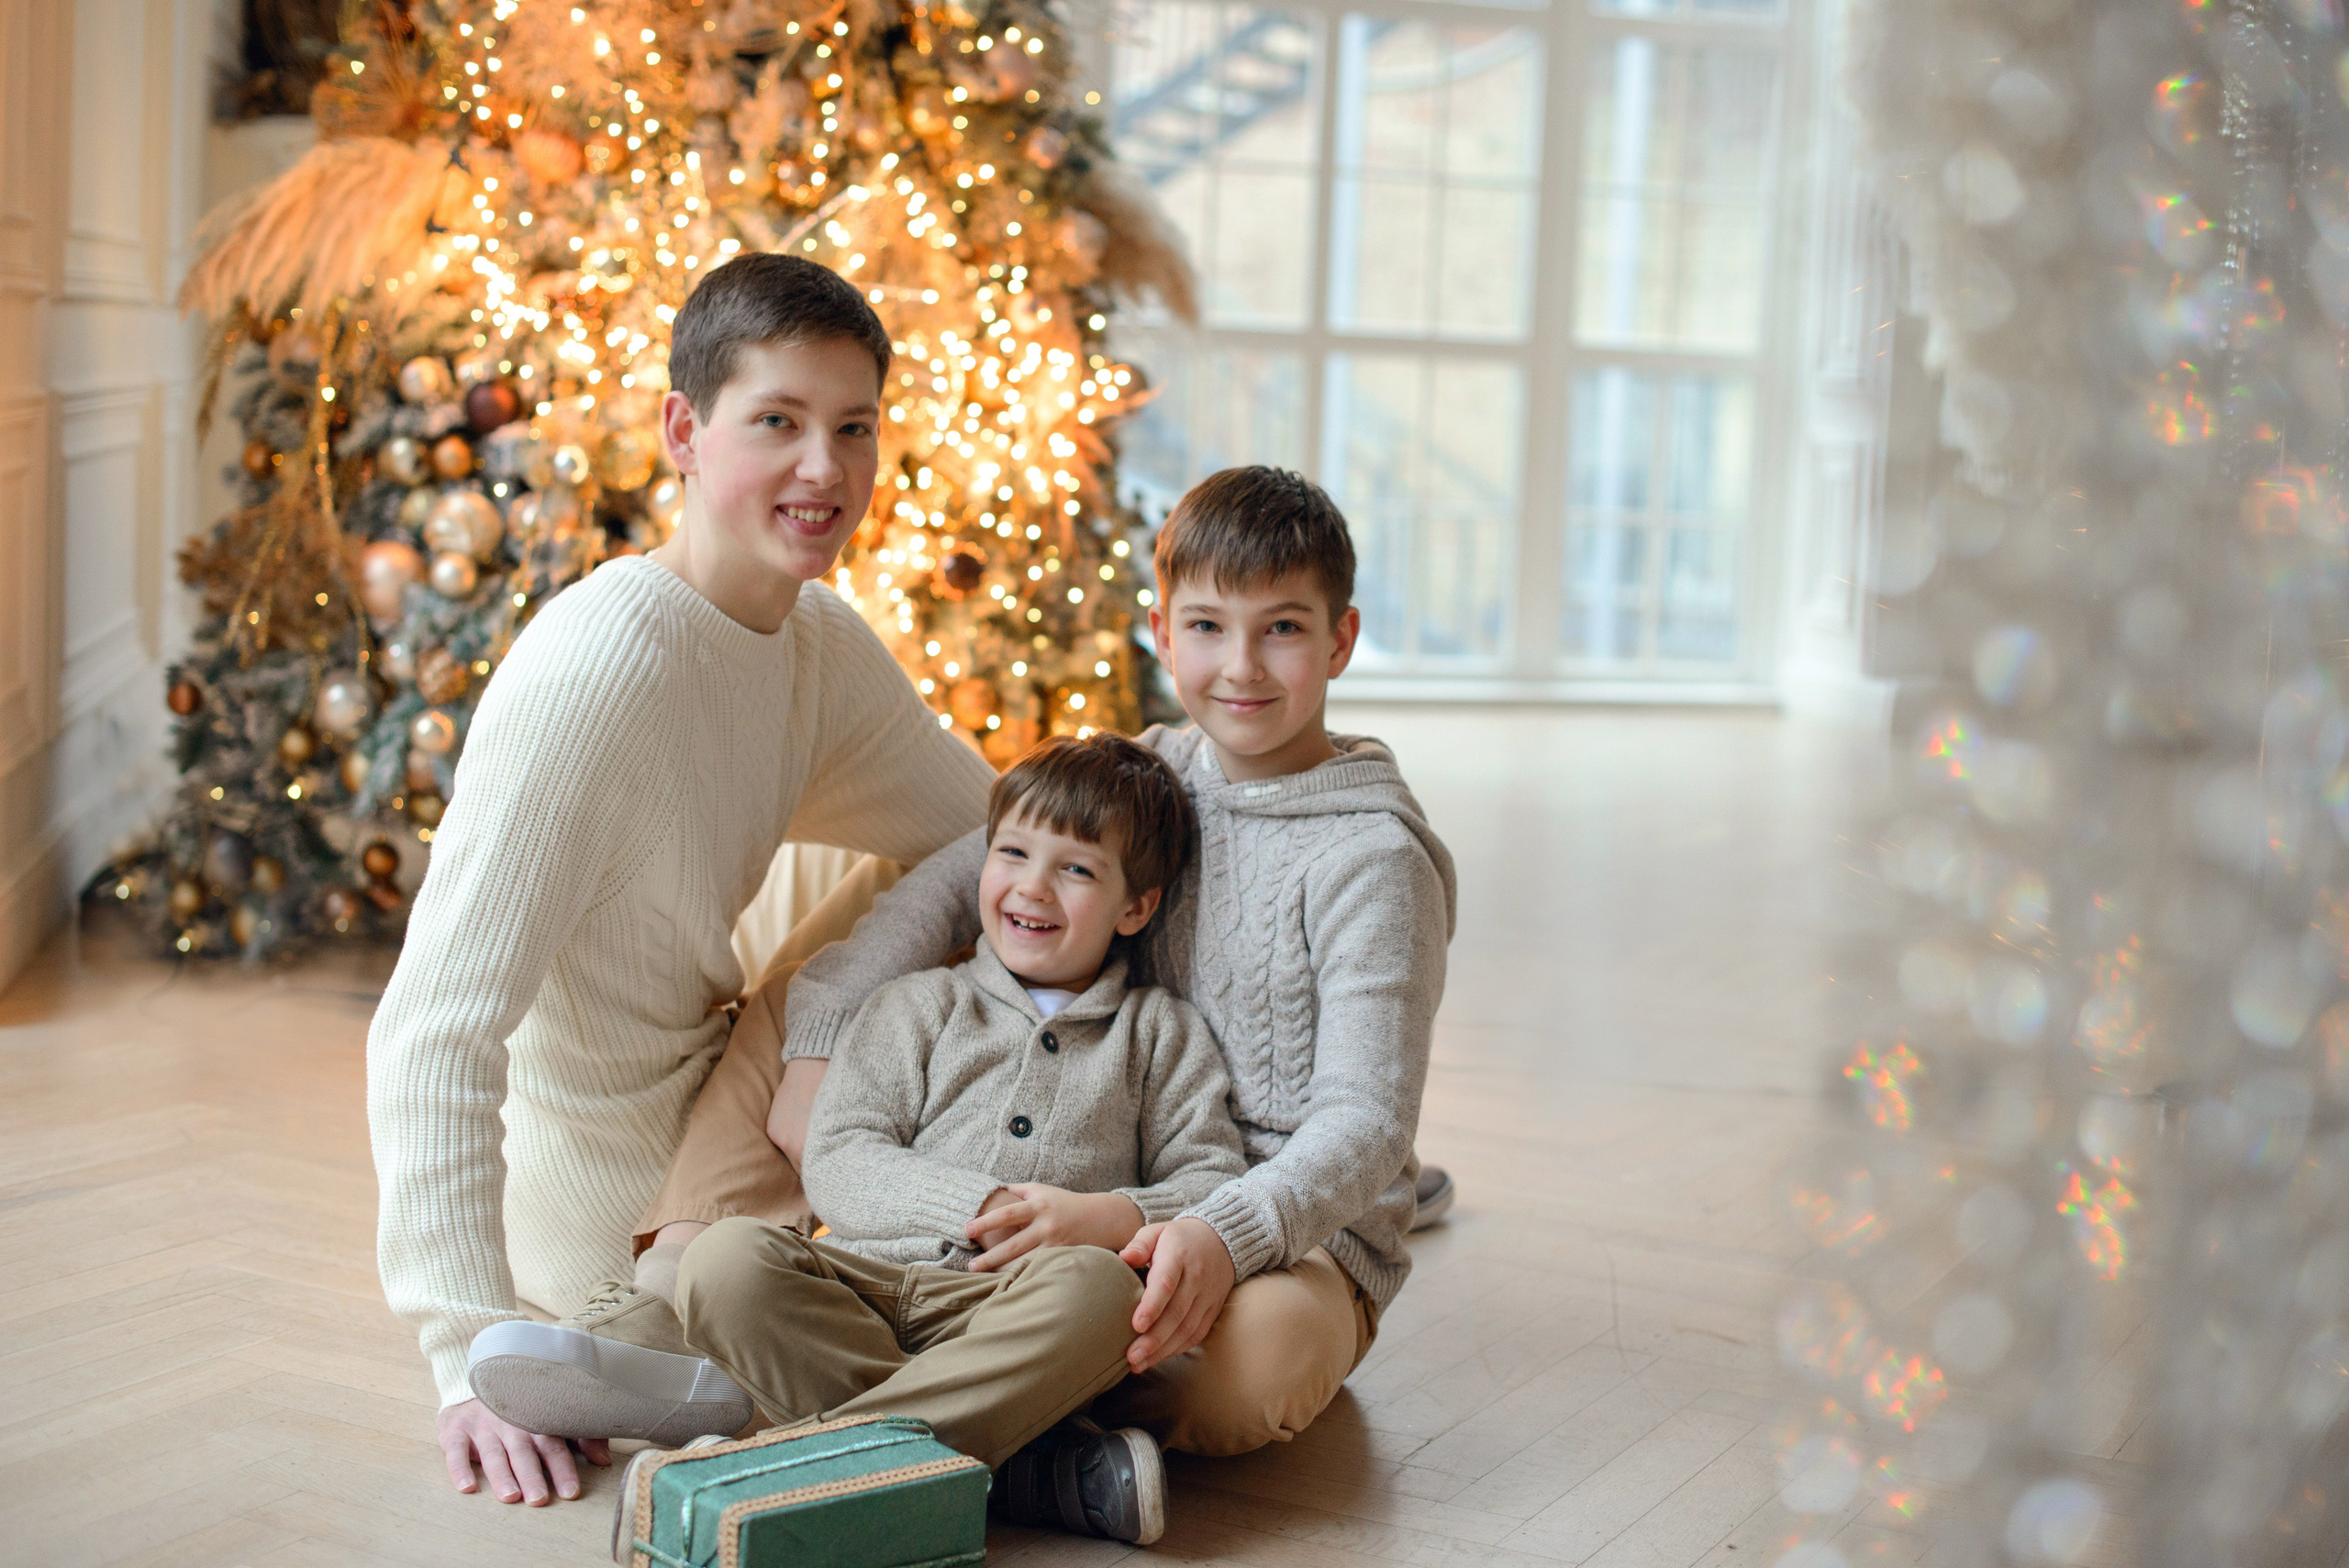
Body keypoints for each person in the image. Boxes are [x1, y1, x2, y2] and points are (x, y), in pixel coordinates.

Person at [551, 464, 1457, 1459]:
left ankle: (792, 1411)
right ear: (1164, 633)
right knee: (811, 995)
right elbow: (952, 883)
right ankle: (668, 1303)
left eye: (1281, 629)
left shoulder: (1375, 860)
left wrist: (1221, 1229)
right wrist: (818, 1045)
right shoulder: (1149, 768)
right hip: (1089, 1148)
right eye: (1207, 626)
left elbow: (1367, 1122)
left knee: (1238, 1374)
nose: (1240, 666)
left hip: (1274, 1216)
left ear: (1339, 640)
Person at [364, 252, 996, 1507]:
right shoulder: (595, 677)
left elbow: (995, 832)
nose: (825, 469)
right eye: (778, 422)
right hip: (616, 1213)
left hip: (723, 1113)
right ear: (683, 433)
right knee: (917, 923)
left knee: (988, 883)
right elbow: (430, 1028)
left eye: (853, 428)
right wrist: (464, 1355)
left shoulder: (811, 642)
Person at [467, 732, 1243, 1545]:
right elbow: (839, 1156)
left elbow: (1213, 1179)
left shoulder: (1162, 1033)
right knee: (725, 1258)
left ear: (1136, 907)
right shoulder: (918, 1003)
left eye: (1076, 869)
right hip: (860, 1289)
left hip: (1010, 1314)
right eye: (1012, 852)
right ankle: (1020, 1467)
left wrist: (1111, 1216)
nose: (1032, 885)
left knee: (1104, 1292)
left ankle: (772, 1463)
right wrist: (978, 1203)